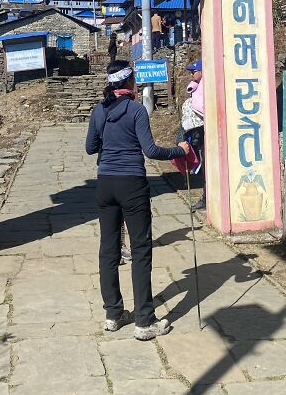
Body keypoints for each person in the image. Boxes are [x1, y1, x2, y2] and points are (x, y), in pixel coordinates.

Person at [86, 60, 188, 340]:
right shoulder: (136, 110)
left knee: (109, 250)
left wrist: (109, 140)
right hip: (132, 184)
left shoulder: (99, 109)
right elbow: (151, 150)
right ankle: (144, 320)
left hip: (105, 183)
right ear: (130, 83)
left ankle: (113, 314)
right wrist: (179, 151)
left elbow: (89, 147)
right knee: (141, 250)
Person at [182, 60, 206, 212]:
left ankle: (206, 198)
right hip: (197, 129)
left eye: (194, 71)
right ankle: (205, 197)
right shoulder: (197, 85)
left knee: (207, 166)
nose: (192, 74)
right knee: (204, 165)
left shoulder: (206, 85)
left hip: (202, 127)